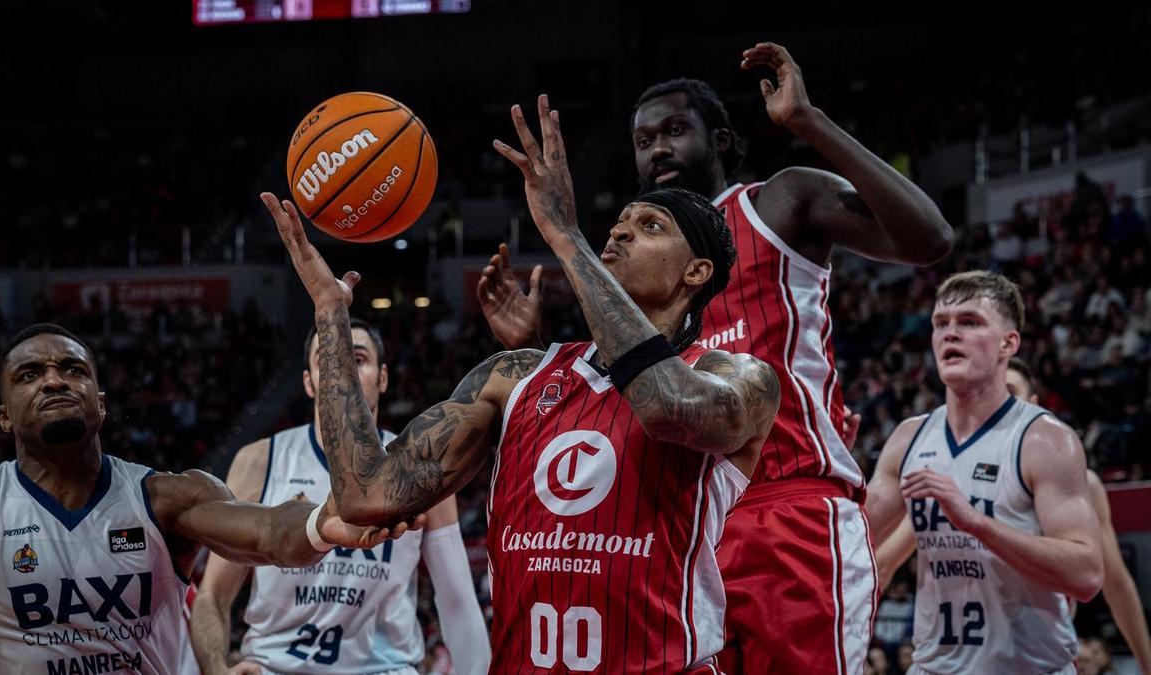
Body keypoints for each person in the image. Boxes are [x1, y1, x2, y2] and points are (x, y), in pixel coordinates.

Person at [477, 42, 954, 674]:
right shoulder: (631, 266)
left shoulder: (780, 202)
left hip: (789, 504)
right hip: (680, 520)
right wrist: (530, 354)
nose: (658, 150)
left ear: (723, 139)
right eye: (643, 140)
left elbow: (930, 239)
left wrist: (807, 123)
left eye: (675, 131)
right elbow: (607, 398)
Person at [261, 94, 780, 672]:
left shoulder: (736, 376)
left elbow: (664, 406)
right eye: (617, 226)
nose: (620, 236)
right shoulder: (513, 377)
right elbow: (364, 497)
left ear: (696, 271)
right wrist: (331, 315)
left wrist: (565, 235)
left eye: (650, 226)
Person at [0, 322, 413, 674]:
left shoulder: (166, 498)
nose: (55, 381)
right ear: (3, 415)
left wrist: (320, 524)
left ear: (100, 403)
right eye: (30, 374)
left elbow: (266, 531)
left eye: (73, 369)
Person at [190, 320, 489, 674]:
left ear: (383, 378)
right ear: (308, 382)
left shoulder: (422, 468)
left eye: (359, 359)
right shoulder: (260, 461)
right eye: (329, 361)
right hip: (275, 667)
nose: (344, 372)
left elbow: (457, 602)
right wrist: (217, 670)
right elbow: (213, 596)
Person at [865, 271, 1102, 674]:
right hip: (932, 665)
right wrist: (829, 464)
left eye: (970, 322)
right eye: (941, 324)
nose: (950, 334)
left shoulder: (1045, 441)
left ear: (1009, 343)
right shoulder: (909, 439)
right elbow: (851, 539)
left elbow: (1087, 573)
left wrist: (977, 523)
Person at [878, 357, 1151, 673]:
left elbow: (1115, 585)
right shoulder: (947, 483)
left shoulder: (1078, 484)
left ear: (1033, 406)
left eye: (1009, 393)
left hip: (1032, 659)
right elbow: (884, 563)